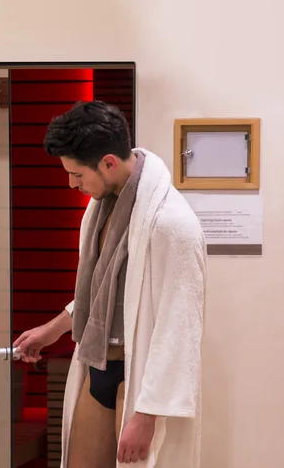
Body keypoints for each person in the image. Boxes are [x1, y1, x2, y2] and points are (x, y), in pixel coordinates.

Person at [13, 101, 207, 468]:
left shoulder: (172, 223)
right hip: (98, 365)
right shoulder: (102, 207)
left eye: (77, 174)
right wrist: (52, 330)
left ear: (108, 163)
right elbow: (102, 290)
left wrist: (147, 415)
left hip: (138, 384)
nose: (72, 183)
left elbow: (181, 326)